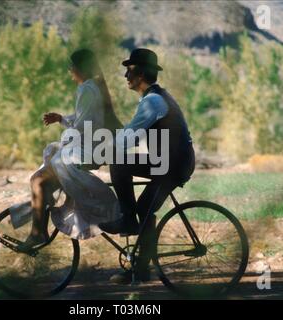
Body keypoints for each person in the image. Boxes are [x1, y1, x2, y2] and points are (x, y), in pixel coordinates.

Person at [99, 48, 196, 283]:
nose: (125, 76)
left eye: (129, 71)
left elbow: (128, 138)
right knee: (145, 208)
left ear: (140, 74)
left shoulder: (153, 101)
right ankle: (141, 269)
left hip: (173, 165)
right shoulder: (154, 98)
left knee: (119, 163)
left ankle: (127, 218)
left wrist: (100, 155)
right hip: (169, 161)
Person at [16, 49, 123, 251]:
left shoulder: (87, 89)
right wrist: (62, 119)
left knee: (38, 180)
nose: (70, 72)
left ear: (78, 68)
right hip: (87, 148)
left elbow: (83, 127)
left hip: (84, 151)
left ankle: (38, 232)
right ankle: (39, 229)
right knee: (39, 181)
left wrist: (65, 135)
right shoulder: (92, 88)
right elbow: (86, 118)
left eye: (70, 67)